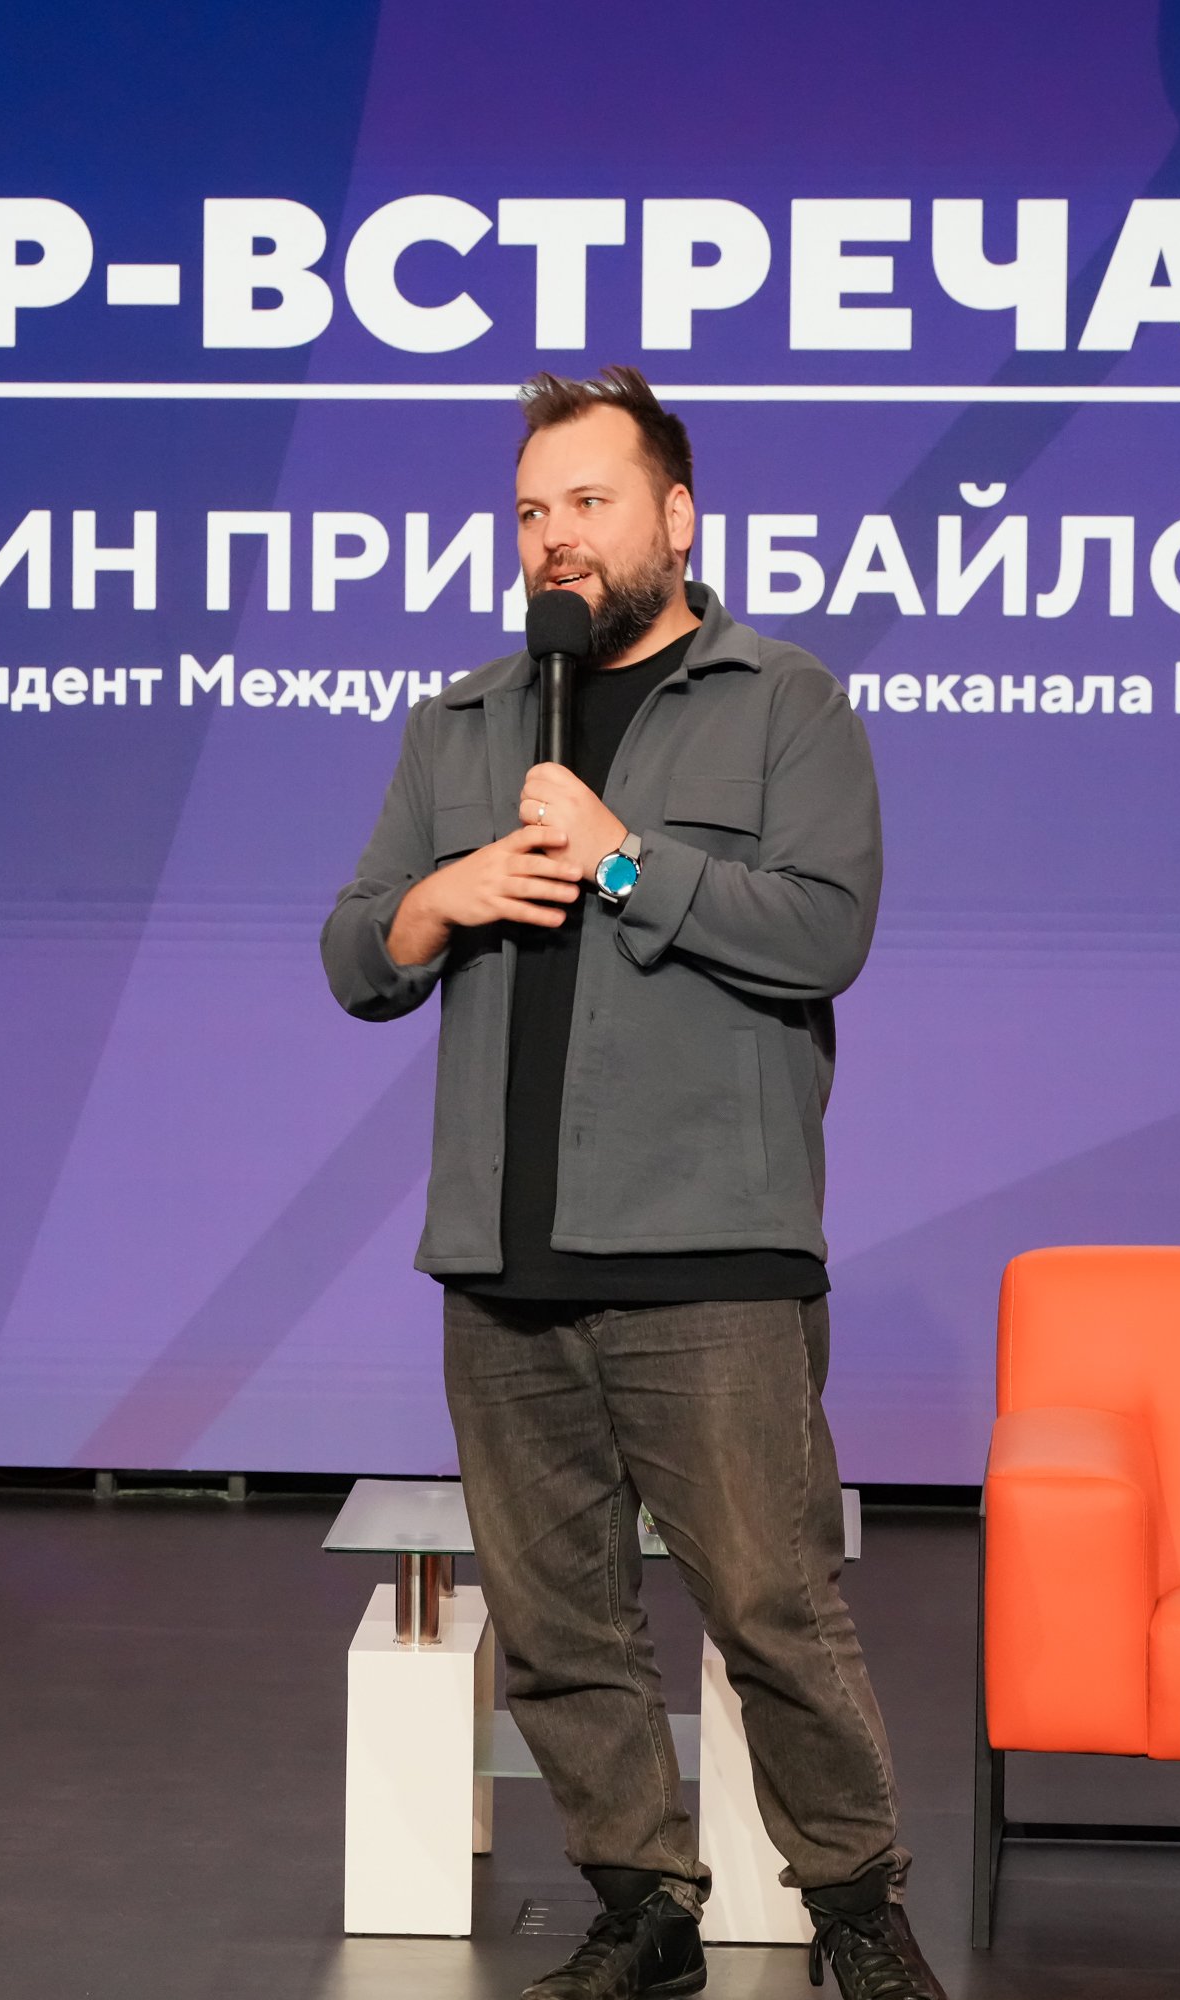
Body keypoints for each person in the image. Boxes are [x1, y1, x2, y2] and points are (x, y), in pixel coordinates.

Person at [322, 367, 942, 2000]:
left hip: (710, 1254)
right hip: (501, 1254)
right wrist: (446, 894)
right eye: (531, 511)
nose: (555, 539)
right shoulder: (461, 723)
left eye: (588, 504)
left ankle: (859, 1913)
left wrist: (620, 857)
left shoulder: (784, 700)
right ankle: (641, 1904)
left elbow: (825, 932)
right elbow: (357, 953)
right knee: (557, 1624)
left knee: (772, 1606)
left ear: (675, 517)